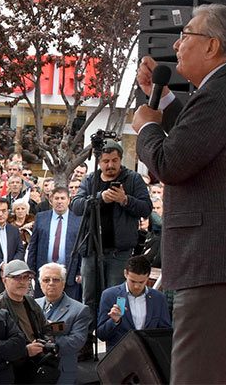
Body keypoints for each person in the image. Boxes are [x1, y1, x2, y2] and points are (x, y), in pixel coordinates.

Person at [134, 4, 226, 384]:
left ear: (212, 45)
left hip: (215, 258)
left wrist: (145, 129)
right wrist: (162, 100)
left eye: (186, 35)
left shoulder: (218, 95)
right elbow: (199, 139)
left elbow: (171, 162)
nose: (178, 44)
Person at [70, 139, 151, 335]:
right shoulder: (91, 180)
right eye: (106, 161)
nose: (110, 165)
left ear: (120, 160)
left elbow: (146, 207)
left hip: (119, 252)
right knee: (89, 298)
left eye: (114, 160)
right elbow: (76, 206)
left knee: (119, 298)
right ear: (99, 162)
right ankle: (87, 340)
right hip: (92, 249)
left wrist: (125, 200)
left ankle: (117, 339)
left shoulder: (133, 179)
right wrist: (99, 198)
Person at [0, 260, 52, 383]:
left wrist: (46, 342)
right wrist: (25, 350)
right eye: (17, 278)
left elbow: (45, 327)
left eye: (26, 278)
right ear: (4, 280)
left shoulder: (30, 301)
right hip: (13, 370)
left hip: (35, 363)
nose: (23, 282)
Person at [95, 256, 171, 350]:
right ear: (125, 274)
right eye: (132, 281)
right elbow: (101, 335)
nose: (136, 286)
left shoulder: (159, 298)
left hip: (149, 355)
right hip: (120, 355)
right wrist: (114, 321)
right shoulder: (110, 295)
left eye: (141, 282)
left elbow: (165, 333)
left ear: (148, 276)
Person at [35, 263, 91, 385]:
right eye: (46, 280)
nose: (51, 283)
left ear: (63, 283)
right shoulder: (33, 304)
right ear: (40, 284)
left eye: (56, 279)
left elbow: (76, 341)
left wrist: (47, 341)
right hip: (35, 369)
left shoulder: (79, 310)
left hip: (62, 370)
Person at [28, 187, 82, 299]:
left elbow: (82, 248)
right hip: (44, 271)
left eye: (63, 198)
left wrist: (80, 271)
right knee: (41, 307)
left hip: (70, 273)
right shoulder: (41, 217)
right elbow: (33, 245)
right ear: (51, 201)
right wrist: (31, 269)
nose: (59, 201)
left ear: (69, 200)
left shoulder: (78, 220)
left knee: (67, 308)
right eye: (56, 198)